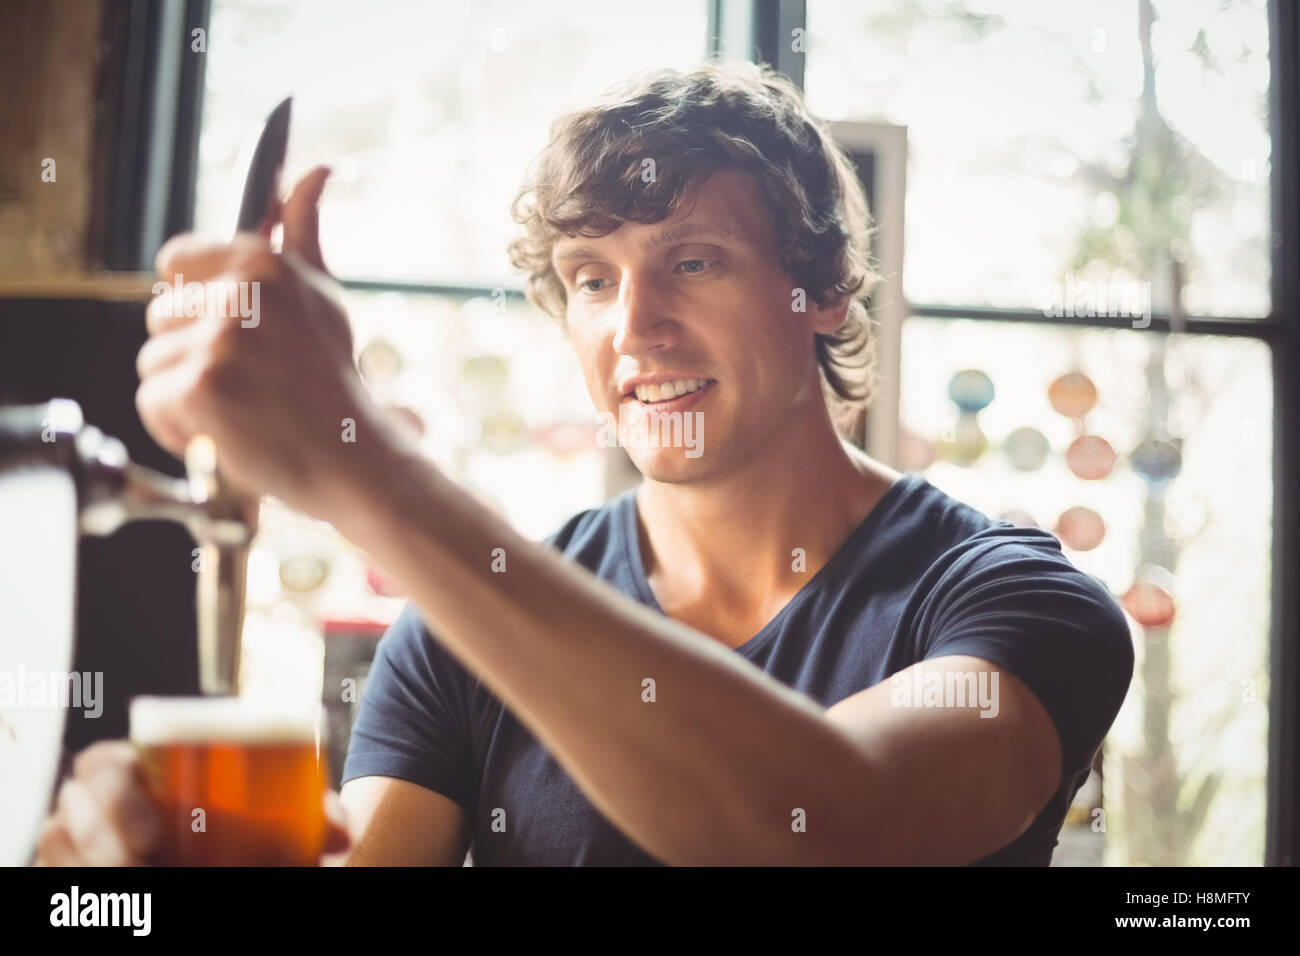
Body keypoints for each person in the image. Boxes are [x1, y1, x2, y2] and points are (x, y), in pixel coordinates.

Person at [37, 61, 1133, 867]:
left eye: (692, 262)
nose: (635, 326)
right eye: (591, 278)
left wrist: (359, 464)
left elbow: (820, 819)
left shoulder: (1016, 603)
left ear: (824, 290)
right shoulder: (463, 633)